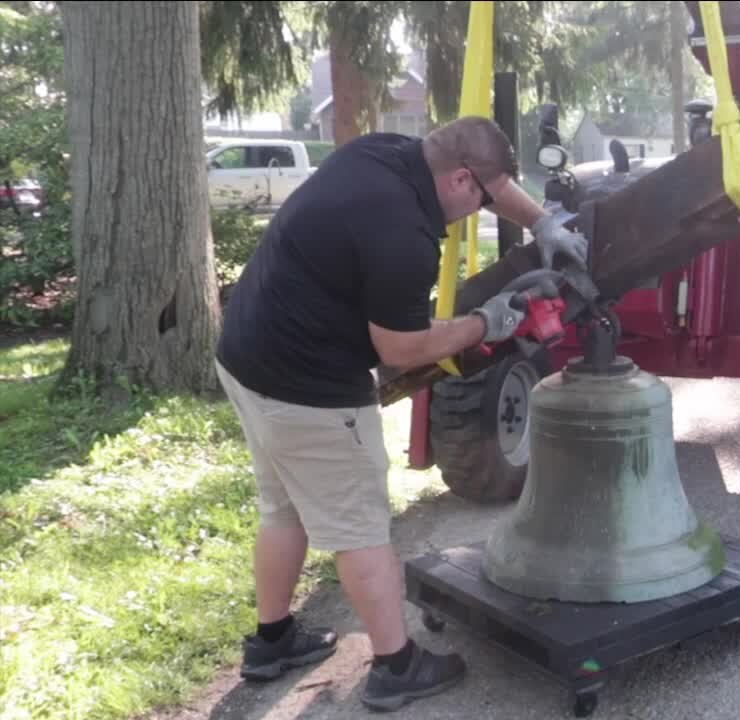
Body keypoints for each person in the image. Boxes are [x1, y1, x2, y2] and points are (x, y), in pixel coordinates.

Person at [213, 117, 587, 711]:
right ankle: (395, 665)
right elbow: (401, 349)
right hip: (306, 385)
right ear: (461, 180)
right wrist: (489, 321)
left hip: (246, 354)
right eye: (483, 201)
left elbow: (495, 177)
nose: (482, 211)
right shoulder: (403, 236)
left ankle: (272, 643)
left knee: (284, 505)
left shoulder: (388, 152)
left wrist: (541, 221)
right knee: (361, 528)